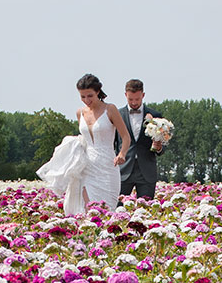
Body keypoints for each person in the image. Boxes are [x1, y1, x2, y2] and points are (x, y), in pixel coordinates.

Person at [37, 74, 130, 215]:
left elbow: (125, 136)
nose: (87, 100)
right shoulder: (80, 113)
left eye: (90, 96)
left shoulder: (110, 109)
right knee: (87, 210)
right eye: (83, 97)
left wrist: (122, 153)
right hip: (87, 167)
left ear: (98, 92)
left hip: (108, 166)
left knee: (107, 210)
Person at [114, 78, 165, 201]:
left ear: (143, 95)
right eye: (130, 99)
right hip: (123, 170)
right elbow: (114, 142)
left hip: (146, 171)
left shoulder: (155, 115)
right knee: (118, 210)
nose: (134, 102)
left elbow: (162, 144)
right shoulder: (117, 115)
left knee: (146, 211)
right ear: (125, 95)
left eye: (137, 99)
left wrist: (159, 147)